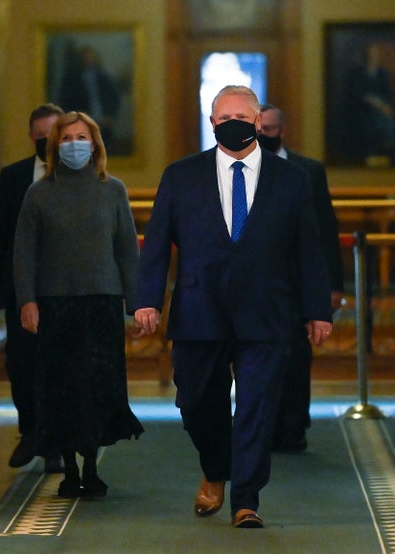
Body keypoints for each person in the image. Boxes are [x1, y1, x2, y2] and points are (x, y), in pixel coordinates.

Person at [134, 85, 333, 528]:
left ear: (259, 122)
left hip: (268, 312)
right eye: (224, 119)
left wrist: (317, 309)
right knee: (196, 401)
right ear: (212, 124)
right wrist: (146, 299)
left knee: (256, 408)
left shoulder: (292, 180)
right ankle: (215, 468)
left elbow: (309, 250)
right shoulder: (181, 175)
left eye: (242, 116)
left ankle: (247, 499)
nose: (234, 124)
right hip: (199, 309)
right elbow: (157, 242)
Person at [13, 110, 144, 498]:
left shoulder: (112, 189)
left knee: (97, 387)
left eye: (81, 137)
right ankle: (69, 469)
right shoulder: (39, 193)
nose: (75, 144)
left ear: (95, 143)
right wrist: (27, 301)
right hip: (56, 305)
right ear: (55, 147)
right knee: (62, 387)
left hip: (102, 303)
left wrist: (136, 304)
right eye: (66, 138)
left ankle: (91, 466)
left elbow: (126, 250)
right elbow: (24, 254)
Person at [0, 103, 64, 473]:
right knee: (20, 364)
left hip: (63, 288)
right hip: (19, 288)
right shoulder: (14, 176)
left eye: (53, 136)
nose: (46, 142)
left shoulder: (77, 174)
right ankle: (30, 431)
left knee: (57, 367)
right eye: (40, 137)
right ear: (32, 137)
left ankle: (54, 446)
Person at [257, 103, 344, 452]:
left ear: (284, 129)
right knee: (256, 356)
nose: (264, 135)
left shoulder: (309, 171)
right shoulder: (241, 168)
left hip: (296, 281)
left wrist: (333, 286)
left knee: (295, 355)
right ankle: (260, 425)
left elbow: (326, 230)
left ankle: (294, 426)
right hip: (257, 280)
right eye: (259, 129)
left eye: (271, 129)